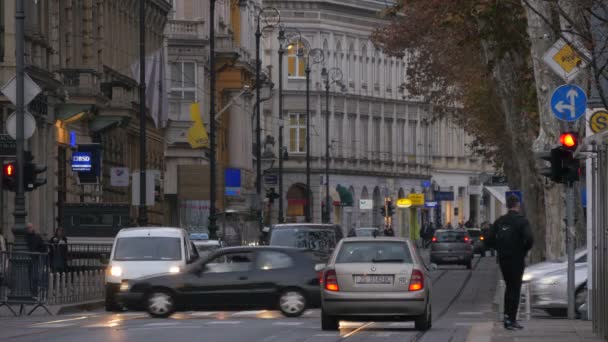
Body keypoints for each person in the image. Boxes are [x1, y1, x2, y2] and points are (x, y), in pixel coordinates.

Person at [486, 195, 533, 330]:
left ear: (507, 205)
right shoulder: (522, 221)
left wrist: (499, 248)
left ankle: (508, 318)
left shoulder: (500, 221)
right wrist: (524, 250)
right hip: (517, 258)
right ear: (517, 205)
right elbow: (529, 238)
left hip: (503, 259)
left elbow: (488, 239)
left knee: (508, 286)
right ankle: (511, 319)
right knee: (515, 287)